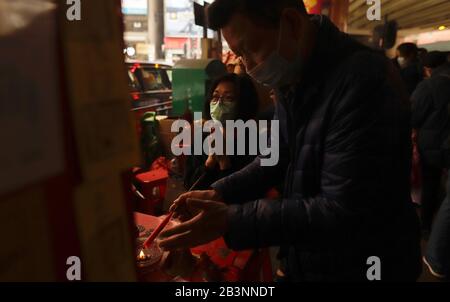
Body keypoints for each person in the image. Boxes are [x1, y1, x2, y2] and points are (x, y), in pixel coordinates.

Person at [159, 0, 422, 282]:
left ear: (293, 24)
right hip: (313, 256)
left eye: (251, 48)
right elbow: (278, 155)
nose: (247, 68)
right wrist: (220, 192)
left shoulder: (364, 81)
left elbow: (343, 210)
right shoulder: (294, 76)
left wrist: (230, 219)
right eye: (239, 55)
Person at [184, 73, 259, 191]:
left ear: (243, 103)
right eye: (215, 96)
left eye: (228, 98)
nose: (219, 103)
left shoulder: (254, 143)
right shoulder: (202, 137)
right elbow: (189, 185)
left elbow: (249, 192)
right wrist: (208, 165)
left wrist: (225, 164)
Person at [411, 51, 450, 238]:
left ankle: (426, 227)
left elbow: (414, 115)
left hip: (432, 147)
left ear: (427, 69)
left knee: (430, 186)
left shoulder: (427, 86)